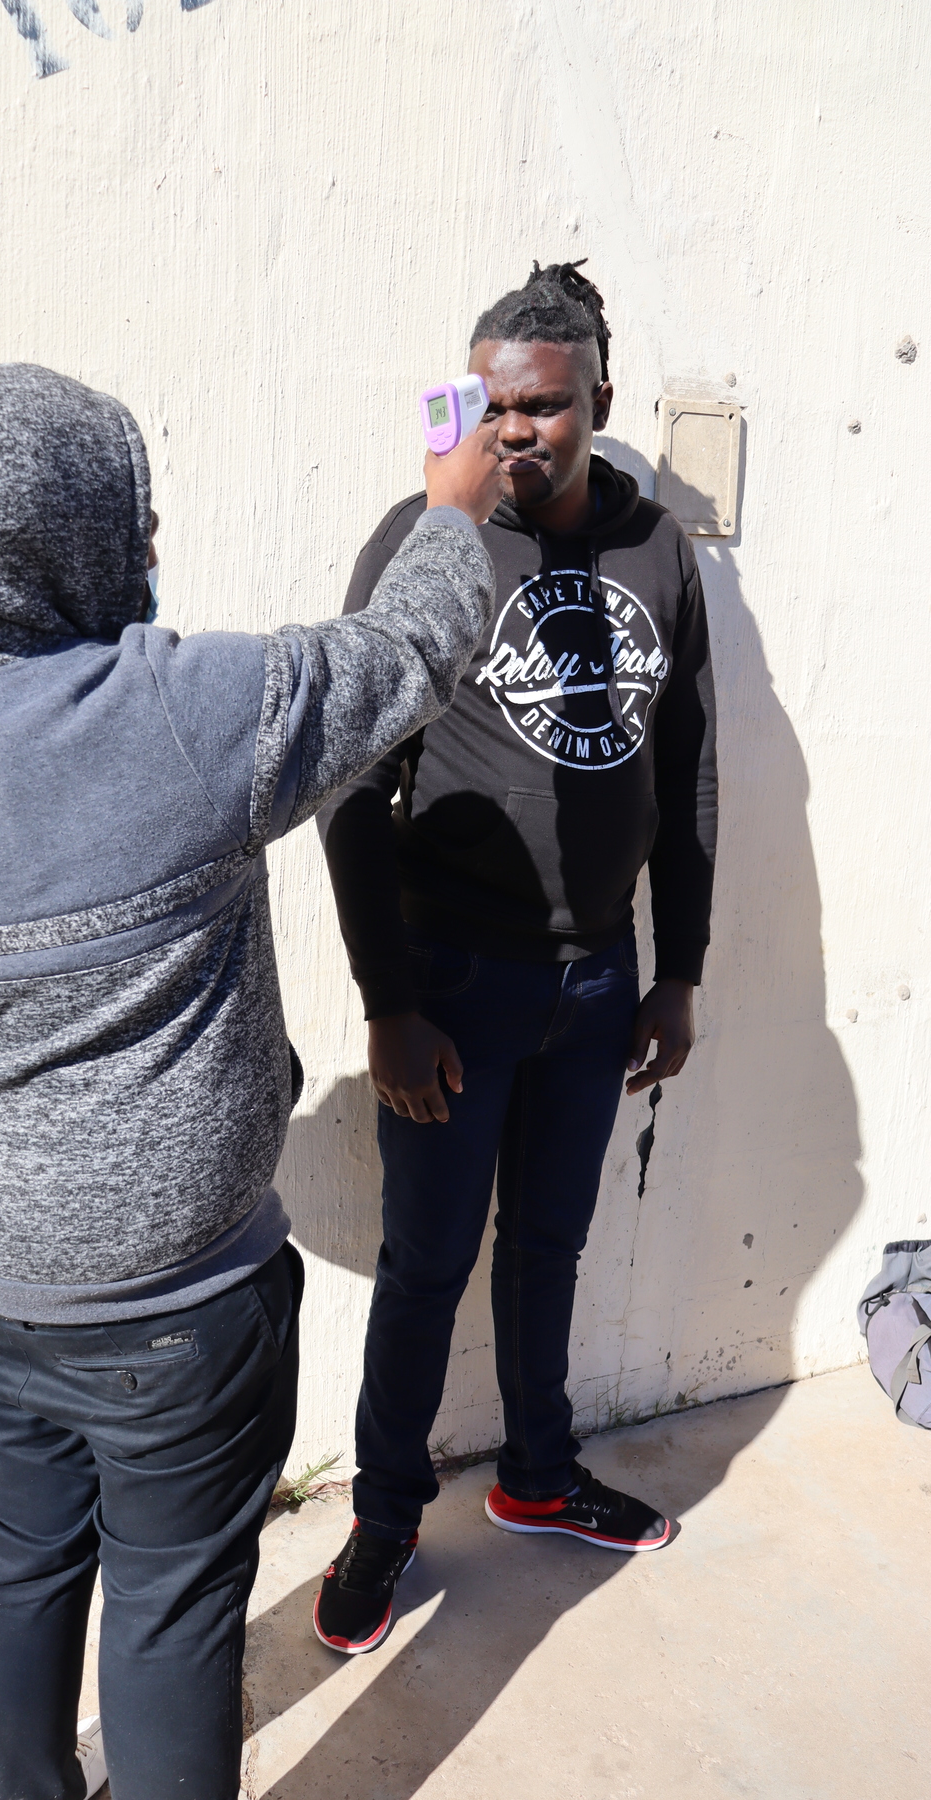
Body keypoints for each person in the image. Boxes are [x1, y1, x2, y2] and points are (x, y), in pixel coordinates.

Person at [0, 356, 502, 1800]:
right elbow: (415, 649)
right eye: (129, 521)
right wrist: (452, 507)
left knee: (15, 1548)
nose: (150, 549)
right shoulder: (176, 712)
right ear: (48, 542)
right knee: (170, 1600)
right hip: (173, 1311)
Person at [314, 261, 718, 1656]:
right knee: (426, 1264)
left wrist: (678, 969)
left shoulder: (657, 548)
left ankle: (539, 1475)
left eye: (542, 406)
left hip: (597, 981)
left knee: (550, 1245)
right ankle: (384, 1516)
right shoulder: (427, 541)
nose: (515, 432)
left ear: (598, 398)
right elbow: (351, 777)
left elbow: (688, 767)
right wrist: (389, 1000)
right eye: (491, 405)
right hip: (455, 982)